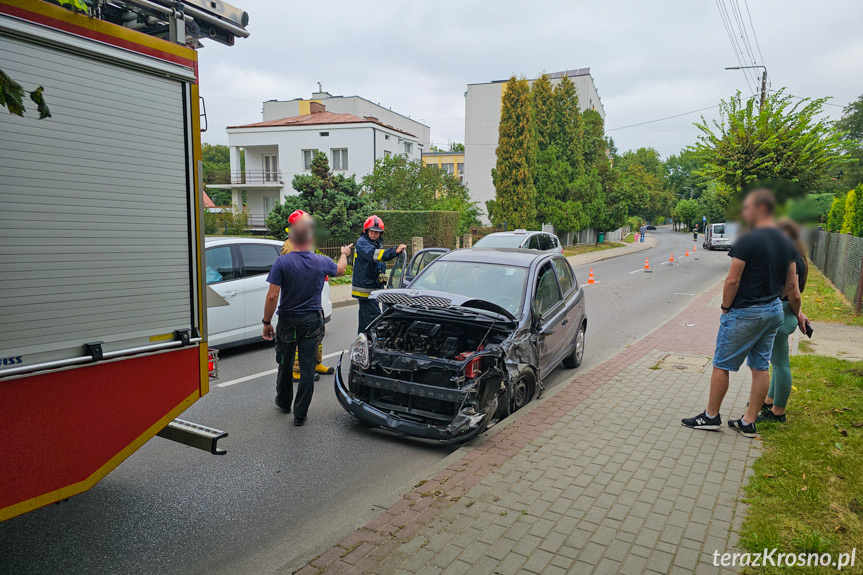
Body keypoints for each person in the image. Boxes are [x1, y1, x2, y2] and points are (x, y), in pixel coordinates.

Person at [682, 188, 802, 438]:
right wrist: (773, 300)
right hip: (773, 311)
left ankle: (711, 416)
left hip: (745, 311)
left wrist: (726, 308)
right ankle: (748, 422)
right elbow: (792, 284)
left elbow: (732, 280)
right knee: (760, 367)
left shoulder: (748, 240)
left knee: (721, 364)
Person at [263, 211, 352, 425]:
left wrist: (266, 323)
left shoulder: (282, 263)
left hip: (287, 321)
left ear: (292, 239)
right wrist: (344, 253)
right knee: (306, 366)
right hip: (312, 321)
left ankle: (284, 402)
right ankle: (300, 414)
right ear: (310, 239)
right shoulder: (320, 261)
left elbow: (273, 296)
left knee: (284, 364)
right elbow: (341, 269)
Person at [759, 218, 810, 423]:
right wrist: (797, 314)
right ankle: (770, 400)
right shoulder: (799, 257)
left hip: (782, 314)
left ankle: (778, 412)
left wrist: (798, 314)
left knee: (780, 364)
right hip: (787, 312)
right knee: (776, 362)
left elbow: (794, 294)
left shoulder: (790, 260)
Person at [281, 213, 332, 380]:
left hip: (314, 296)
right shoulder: (290, 246)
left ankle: (316, 363)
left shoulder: (303, 242)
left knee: (318, 333)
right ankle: (297, 370)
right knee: (301, 338)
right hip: (301, 302)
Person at [351, 215, 406, 333]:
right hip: (365, 289)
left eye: (377, 232)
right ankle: (378, 345)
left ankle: (363, 344)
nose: (374, 234)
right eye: (372, 231)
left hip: (371, 287)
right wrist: (395, 251)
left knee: (365, 322)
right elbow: (376, 255)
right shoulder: (363, 243)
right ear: (366, 230)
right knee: (376, 319)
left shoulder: (374, 242)